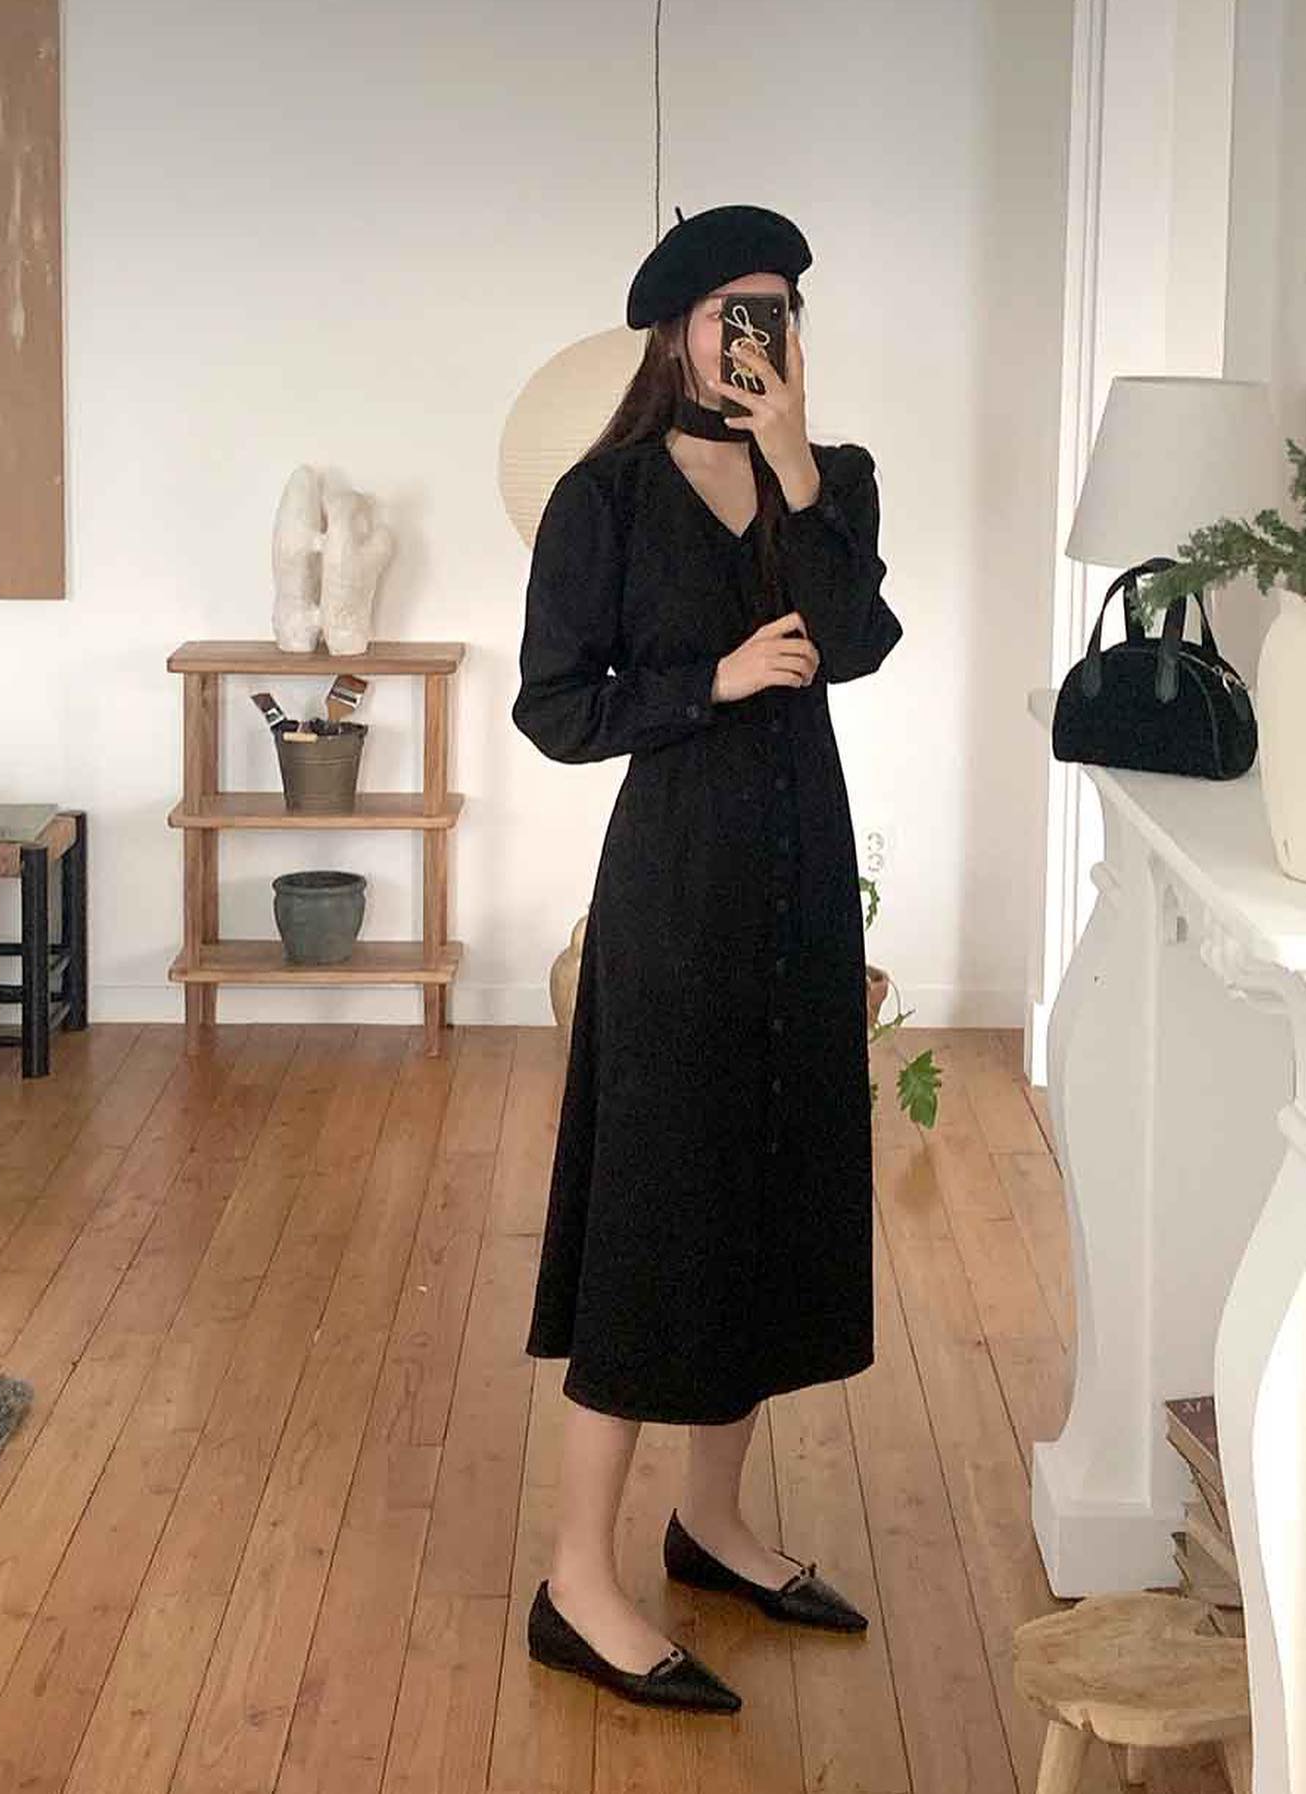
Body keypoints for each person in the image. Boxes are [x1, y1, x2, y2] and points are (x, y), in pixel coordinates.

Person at [512, 203, 905, 1713]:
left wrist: (796, 464)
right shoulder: (601, 497)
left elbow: (857, 641)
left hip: (801, 879)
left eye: (782, 310)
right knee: (656, 1208)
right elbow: (559, 707)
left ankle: (713, 1522)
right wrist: (713, 680)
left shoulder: (835, 479)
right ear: (677, 331)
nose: (762, 332)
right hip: (675, 884)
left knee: (764, 1189)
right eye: (738, 310)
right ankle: (576, 1577)